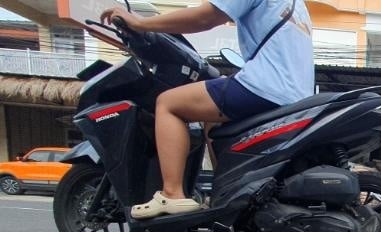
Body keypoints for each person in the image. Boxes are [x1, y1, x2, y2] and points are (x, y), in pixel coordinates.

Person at [100, 0, 313, 219]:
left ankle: (171, 194)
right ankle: (229, 192)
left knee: (168, 103)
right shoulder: (296, 5)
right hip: (297, 94)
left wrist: (139, 23)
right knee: (214, 119)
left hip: (264, 86)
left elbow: (205, 17)